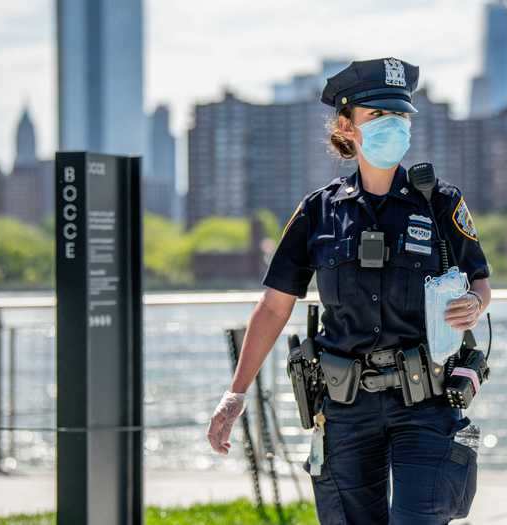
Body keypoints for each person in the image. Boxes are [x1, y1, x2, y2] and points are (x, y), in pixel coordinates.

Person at [207, 57, 492, 525]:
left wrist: (475, 304)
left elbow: (480, 280)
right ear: (347, 126)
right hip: (346, 409)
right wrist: (235, 394)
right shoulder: (319, 211)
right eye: (377, 116)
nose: (392, 127)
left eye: (399, 117)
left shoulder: (441, 202)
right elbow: (274, 306)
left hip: (426, 404)